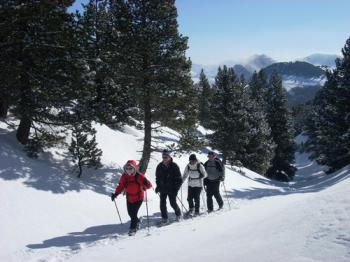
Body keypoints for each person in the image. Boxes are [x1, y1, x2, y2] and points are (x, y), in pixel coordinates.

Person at [111, 160, 152, 235]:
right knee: (130, 213)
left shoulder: (139, 176)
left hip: (139, 198)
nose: (129, 170)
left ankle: (133, 228)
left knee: (133, 214)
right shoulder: (124, 176)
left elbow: (149, 185)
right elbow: (121, 185)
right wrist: (116, 194)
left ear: (134, 168)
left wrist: (145, 185)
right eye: (127, 168)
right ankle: (137, 221)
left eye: (131, 168)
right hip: (129, 197)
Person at [155, 149, 183, 224]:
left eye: (166, 157)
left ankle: (178, 214)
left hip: (172, 189)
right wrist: (158, 186)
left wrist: (176, 189)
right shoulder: (159, 166)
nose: (164, 158)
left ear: (169, 157)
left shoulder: (174, 166)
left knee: (173, 203)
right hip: (163, 188)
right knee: (162, 204)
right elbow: (157, 178)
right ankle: (164, 218)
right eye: (163, 157)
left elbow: (179, 180)